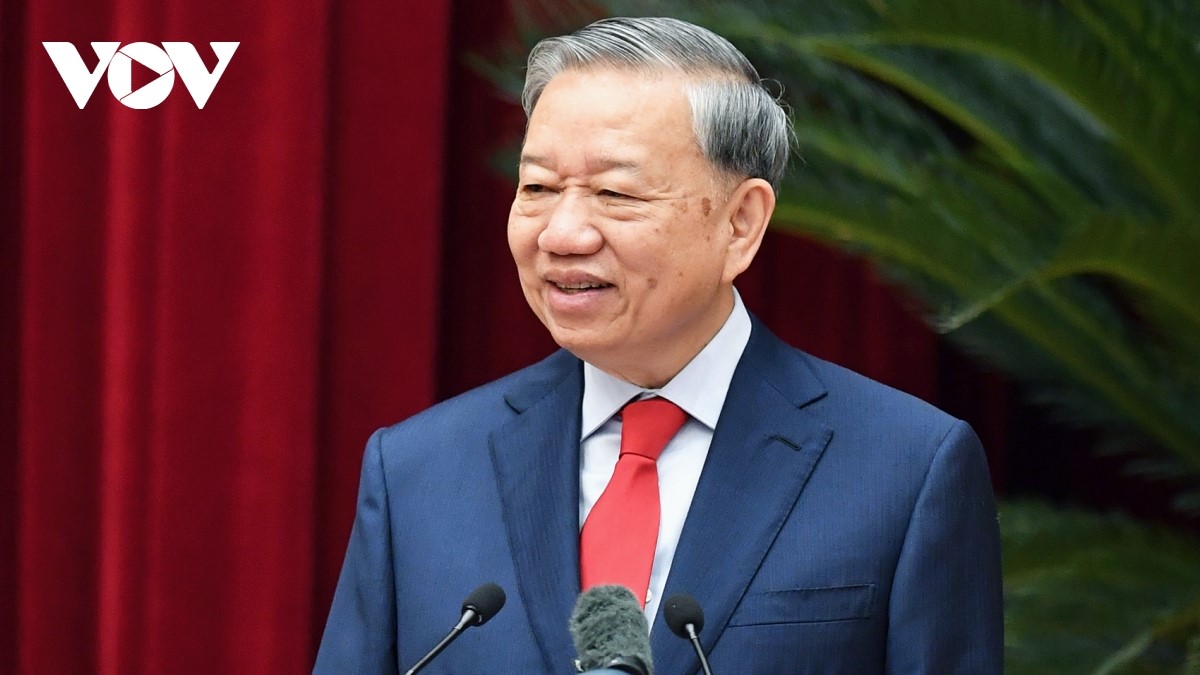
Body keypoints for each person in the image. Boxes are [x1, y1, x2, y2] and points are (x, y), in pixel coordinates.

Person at [315, 15, 1002, 674]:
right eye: (539, 187)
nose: (562, 233)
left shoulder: (904, 470)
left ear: (740, 223)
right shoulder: (418, 473)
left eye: (616, 193)